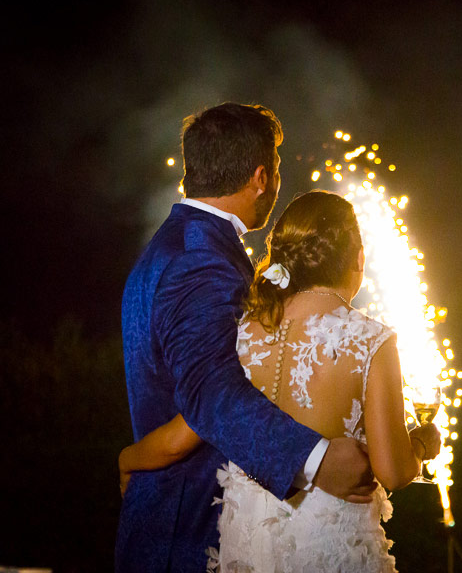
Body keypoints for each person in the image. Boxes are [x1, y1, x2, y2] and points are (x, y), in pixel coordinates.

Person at [116, 103, 379, 572]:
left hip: (163, 515)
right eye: (276, 170)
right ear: (261, 177)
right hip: (189, 530)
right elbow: (211, 394)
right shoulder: (202, 260)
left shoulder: (175, 245)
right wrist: (315, 459)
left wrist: (135, 454)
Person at [119, 190, 442, 572]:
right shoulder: (370, 339)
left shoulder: (245, 333)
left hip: (250, 553)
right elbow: (393, 471)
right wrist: (422, 443)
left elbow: (186, 431)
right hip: (330, 553)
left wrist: (128, 459)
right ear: (358, 258)